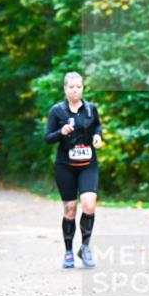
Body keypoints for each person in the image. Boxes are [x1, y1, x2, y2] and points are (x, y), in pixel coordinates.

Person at [44, 72, 103, 268]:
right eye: (71, 87)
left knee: (89, 205)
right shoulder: (57, 111)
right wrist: (61, 132)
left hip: (88, 165)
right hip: (65, 166)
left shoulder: (91, 109)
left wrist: (97, 137)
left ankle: (85, 247)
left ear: (83, 88)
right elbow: (48, 138)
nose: (75, 90)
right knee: (70, 210)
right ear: (65, 89)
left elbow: (97, 127)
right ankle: (68, 251)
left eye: (78, 87)